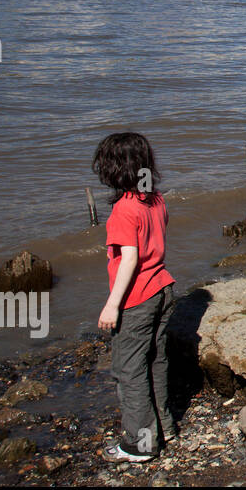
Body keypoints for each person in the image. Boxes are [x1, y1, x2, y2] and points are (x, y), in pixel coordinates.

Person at [93, 132, 176, 463]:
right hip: (163, 287)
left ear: (114, 169)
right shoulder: (155, 199)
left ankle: (140, 444)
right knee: (156, 361)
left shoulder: (123, 211)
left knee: (128, 370)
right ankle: (164, 426)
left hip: (137, 297)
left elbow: (129, 259)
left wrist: (112, 304)